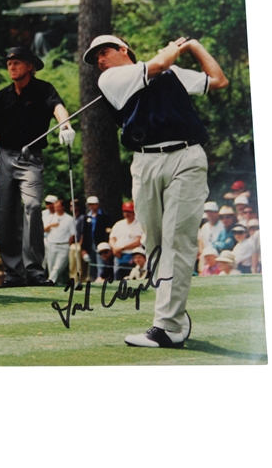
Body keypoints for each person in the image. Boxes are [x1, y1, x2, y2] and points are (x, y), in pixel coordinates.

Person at [84, 34, 228, 347]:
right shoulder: (111, 79)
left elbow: (218, 80)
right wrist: (174, 48)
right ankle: (174, 318)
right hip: (145, 160)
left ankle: (167, 326)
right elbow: (161, 61)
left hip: (186, 156)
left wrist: (194, 46)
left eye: (104, 52)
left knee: (178, 238)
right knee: (153, 244)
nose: (100, 60)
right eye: (95, 58)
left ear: (123, 49)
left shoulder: (169, 74)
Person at [0, 47, 76, 287]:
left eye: (16, 63)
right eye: (9, 63)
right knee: (6, 214)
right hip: (4, 157)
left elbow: (58, 107)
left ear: (29, 66)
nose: (11, 67)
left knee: (33, 207)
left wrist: (65, 126)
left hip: (30, 158)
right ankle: (13, 273)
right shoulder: (2, 95)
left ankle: (35, 270)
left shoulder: (44, 89)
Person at [80, 195, 114, 282]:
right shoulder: (87, 217)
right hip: (90, 244)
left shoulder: (104, 216)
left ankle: (100, 279)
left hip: (100, 244)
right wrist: (83, 249)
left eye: (93, 204)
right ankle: (92, 280)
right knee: (92, 264)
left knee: (101, 263)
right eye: (90, 204)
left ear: (98, 204)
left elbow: (108, 231)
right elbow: (84, 233)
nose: (92, 206)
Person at [44, 198, 76, 285]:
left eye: (58, 206)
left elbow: (72, 234)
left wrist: (67, 244)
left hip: (63, 246)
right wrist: (51, 225)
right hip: (51, 244)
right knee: (51, 267)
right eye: (55, 207)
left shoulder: (69, 219)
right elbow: (44, 230)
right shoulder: (51, 217)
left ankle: (50, 281)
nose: (56, 208)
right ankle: (57, 284)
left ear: (63, 207)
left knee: (58, 267)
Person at [109, 201, 143, 280]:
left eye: (129, 212)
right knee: (117, 278)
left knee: (131, 278)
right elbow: (112, 239)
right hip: (118, 255)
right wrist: (115, 248)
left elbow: (137, 241)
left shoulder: (138, 225)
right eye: (125, 211)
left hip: (132, 255)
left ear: (134, 212)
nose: (127, 214)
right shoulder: (118, 224)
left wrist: (120, 248)